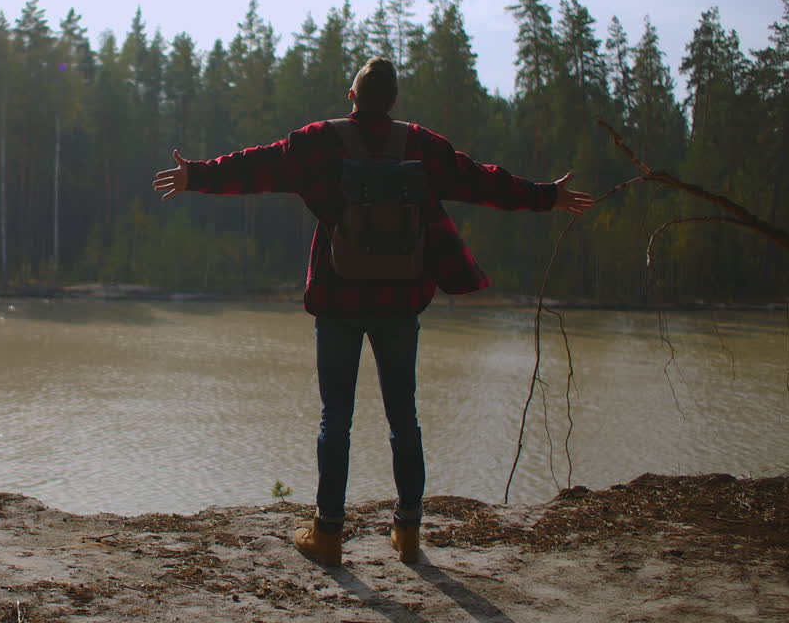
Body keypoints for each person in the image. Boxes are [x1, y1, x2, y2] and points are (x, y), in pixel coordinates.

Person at [152, 56, 593, 566]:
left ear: (352, 96)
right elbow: (480, 182)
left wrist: (195, 176)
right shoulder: (421, 145)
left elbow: (259, 165)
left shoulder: (320, 140)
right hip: (401, 297)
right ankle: (407, 534)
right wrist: (546, 197)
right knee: (403, 417)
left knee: (334, 419)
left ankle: (330, 535)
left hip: (339, 297)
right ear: (395, 102)